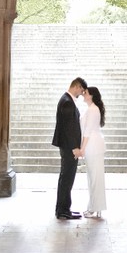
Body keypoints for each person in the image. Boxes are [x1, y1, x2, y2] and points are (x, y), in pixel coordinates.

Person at [51, 77, 87, 220]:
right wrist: (75, 148)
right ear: (76, 86)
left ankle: (63, 209)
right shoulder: (67, 102)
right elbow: (68, 129)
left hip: (67, 146)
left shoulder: (66, 100)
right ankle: (63, 210)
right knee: (67, 178)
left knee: (65, 178)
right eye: (81, 90)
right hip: (69, 147)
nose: (81, 94)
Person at [79, 86, 106, 218]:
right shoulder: (92, 109)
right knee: (93, 177)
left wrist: (82, 148)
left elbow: (88, 131)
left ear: (91, 96)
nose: (83, 94)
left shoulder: (93, 110)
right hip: (93, 145)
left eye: (86, 92)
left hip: (93, 145)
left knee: (94, 178)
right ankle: (95, 206)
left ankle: (95, 207)